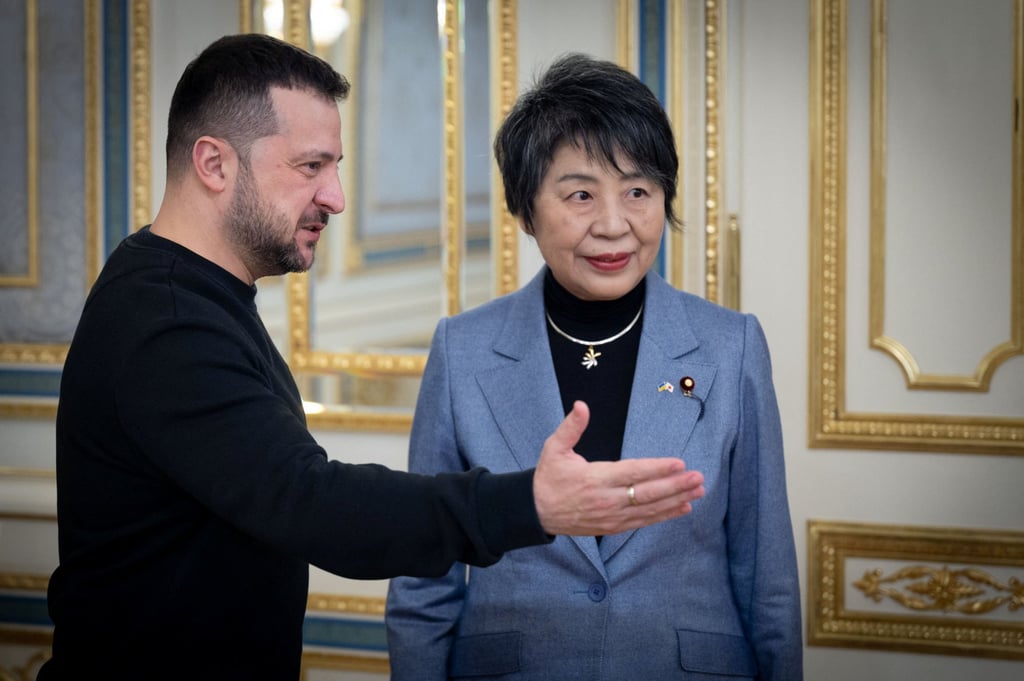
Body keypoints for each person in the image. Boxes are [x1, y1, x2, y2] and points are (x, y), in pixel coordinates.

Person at [38, 36, 707, 680]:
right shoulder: (168, 322)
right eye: (310, 166)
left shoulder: (191, 296)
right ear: (214, 164)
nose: (336, 197)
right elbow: (314, 503)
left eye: (335, 167)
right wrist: (529, 501)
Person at [385, 53, 802, 680]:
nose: (614, 225)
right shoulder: (462, 350)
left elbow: (765, 572)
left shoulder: (730, 346)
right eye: (581, 194)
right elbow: (425, 578)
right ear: (526, 210)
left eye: (638, 191)